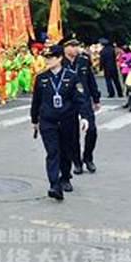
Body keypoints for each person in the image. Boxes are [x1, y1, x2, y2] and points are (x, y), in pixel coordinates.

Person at [30, 45, 88, 201]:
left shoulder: (72, 76)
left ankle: (65, 178)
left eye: (51, 58)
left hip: (67, 120)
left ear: (60, 58)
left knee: (65, 151)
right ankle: (54, 185)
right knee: (53, 152)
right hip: (48, 121)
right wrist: (34, 120)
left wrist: (84, 117)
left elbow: (80, 99)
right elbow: (36, 101)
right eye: (46, 58)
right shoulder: (41, 78)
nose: (48, 61)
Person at [63, 39, 100, 174]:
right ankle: (77, 162)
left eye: (77, 46)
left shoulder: (83, 60)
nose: (75, 48)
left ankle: (88, 158)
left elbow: (91, 80)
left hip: (84, 100)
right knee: (72, 135)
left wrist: (96, 98)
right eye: (72, 46)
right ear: (65, 48)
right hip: (69, 102)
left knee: (92, 131)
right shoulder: (60, 63)